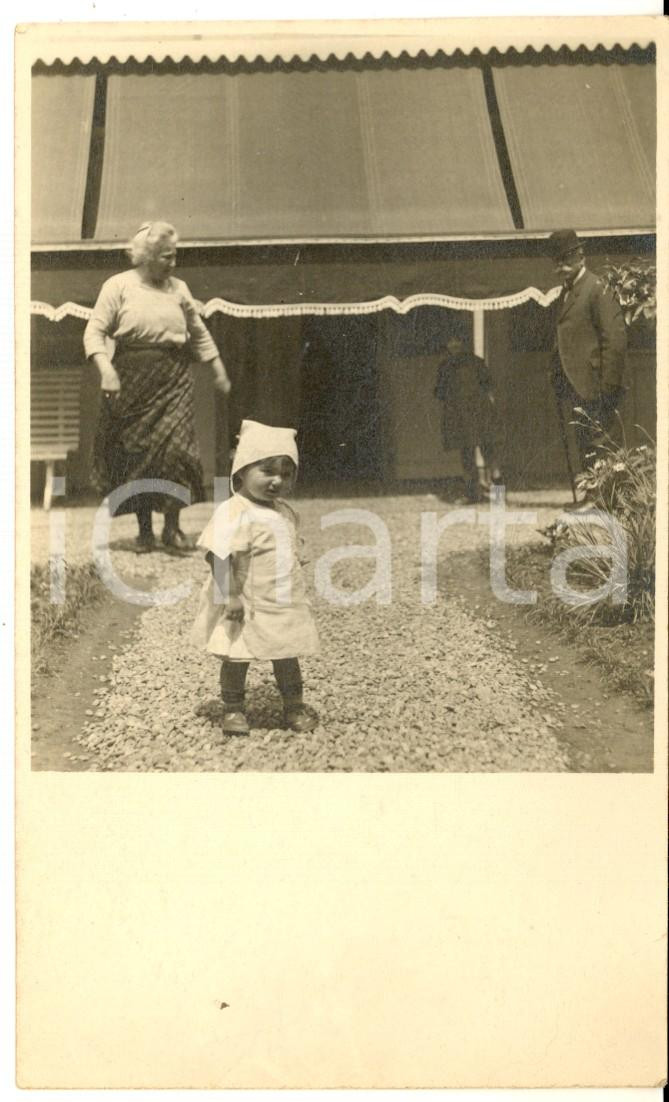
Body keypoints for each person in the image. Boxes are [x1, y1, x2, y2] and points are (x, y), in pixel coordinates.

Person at [83, 221, 231, 552]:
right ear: (147, 256)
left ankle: (173, 528)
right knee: (139, 456)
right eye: (167, 257)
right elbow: (94, 332)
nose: (173, 263)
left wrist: (218, 368)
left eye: (175, 256)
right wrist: (106, 370)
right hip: (131, 380)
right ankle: (145, 531)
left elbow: (198, 332)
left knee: (177, 452)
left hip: (174, 377)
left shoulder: (179, 289)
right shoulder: (118, 286)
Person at [191, 420, 319, 736]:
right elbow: (218, 555)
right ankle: (233, 708)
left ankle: (293, 706)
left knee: (287, 653)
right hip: (245, 600)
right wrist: (230, 595)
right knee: (237, 655)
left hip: (280, 601)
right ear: (242, 471)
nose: (277, 481)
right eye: (267, 471)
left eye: (286, 474)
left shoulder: (284, 512)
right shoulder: (235, 511)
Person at [548, 228, 627, 476]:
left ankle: (607, 496)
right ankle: (592, 494)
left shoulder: (596, 288)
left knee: (604, 448)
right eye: (556, 262)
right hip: (578, 388)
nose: (561, 267)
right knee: (587, 449)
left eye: (566, 259)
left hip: (598, 389)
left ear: (581, 256)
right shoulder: (567, 292)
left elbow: (614, 340)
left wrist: (607, 388)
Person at [434, 333, 502, 503]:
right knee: (471, 454)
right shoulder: (448, 366)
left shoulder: (471, 363)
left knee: (485, 454)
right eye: (450, 341)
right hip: (463, 414)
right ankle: (477, 495)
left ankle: (494, 496)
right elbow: (441, 391)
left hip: (477, 413)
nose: (454, 344)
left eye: (457, 340)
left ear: (464, 343)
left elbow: (488, 386)